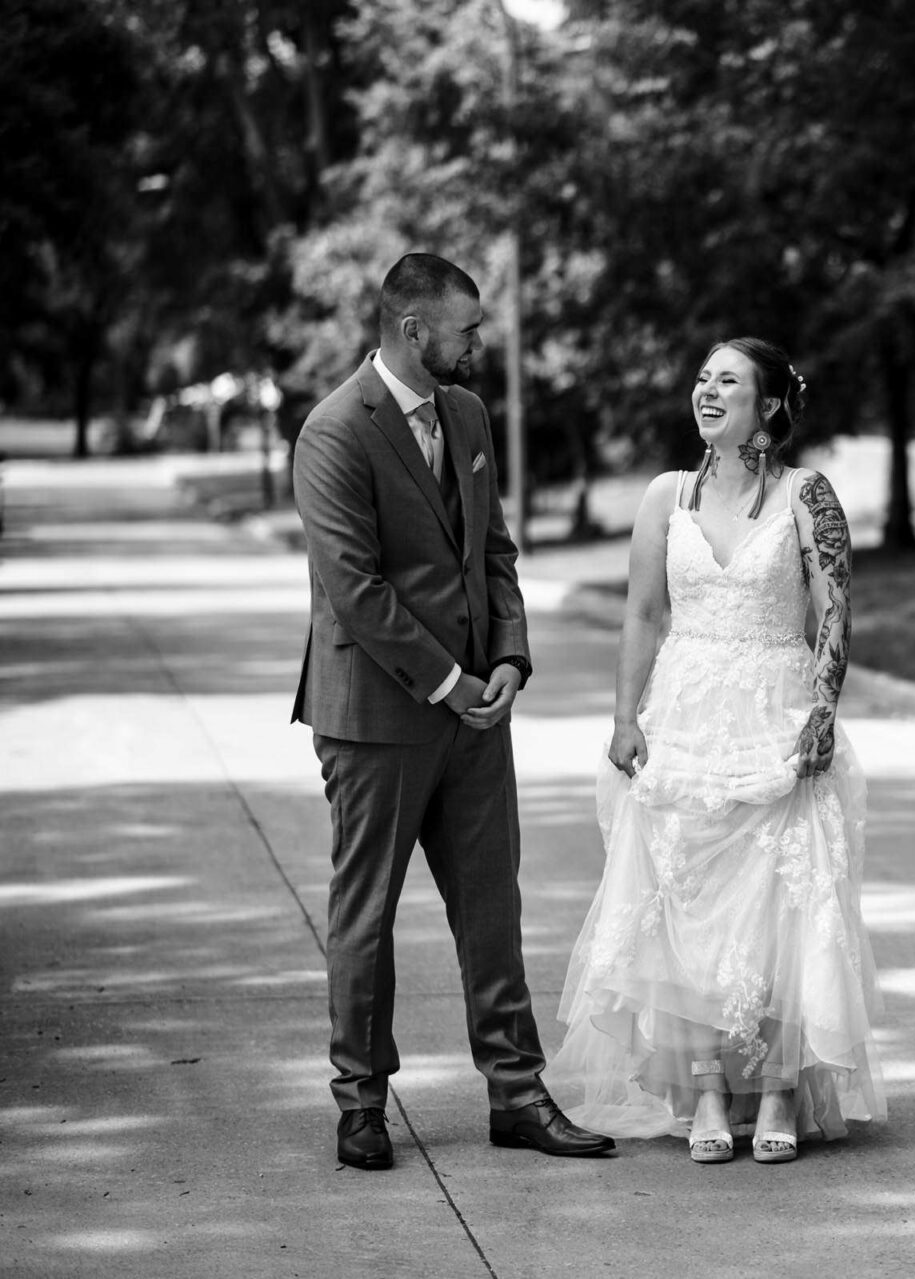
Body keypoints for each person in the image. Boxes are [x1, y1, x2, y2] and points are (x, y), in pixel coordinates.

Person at [291, 252, 613, 1170]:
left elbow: (495, 552)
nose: (480, 345)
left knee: (491, 907)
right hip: (376, 718)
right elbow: (356, 590)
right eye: (467, 331)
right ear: (412, 332)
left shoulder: (466, 414)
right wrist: (449, 682)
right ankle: (360, 1102)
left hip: (479, 715)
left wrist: (509, 656)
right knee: (367, 913)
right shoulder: (333, 432)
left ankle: (516, 1093)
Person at [548, 337, 886, 1164]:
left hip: (777, 709)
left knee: (778, 904)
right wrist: (625, 720)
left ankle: (774, 1089)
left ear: (768, 404)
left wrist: (823, 713)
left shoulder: (809, 494)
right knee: (684, 904)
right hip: (684, 713)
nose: (706, 390)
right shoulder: (667, 494)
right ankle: (704, 1087)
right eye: (701, 377)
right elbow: (640, 616)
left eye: (726, 380)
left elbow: (835, 611)